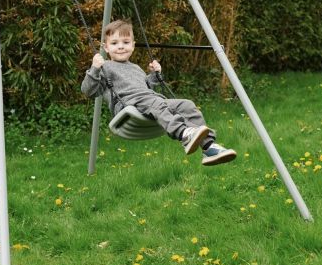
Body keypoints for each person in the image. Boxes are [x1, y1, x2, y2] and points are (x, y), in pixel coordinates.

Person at [81, 19, 236, 166]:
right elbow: (88, 91)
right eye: (114, 43)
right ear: (106, 47)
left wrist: (155, 75)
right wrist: (94, 69)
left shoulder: (136, 68)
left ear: (133, 45)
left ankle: (209, 147)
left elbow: (146, 87)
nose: (121, 47)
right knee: (154, 102)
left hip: (150, 101)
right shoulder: (105, 67)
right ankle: (183, 133)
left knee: (187, 105)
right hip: (127, 105)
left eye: (126, 42)